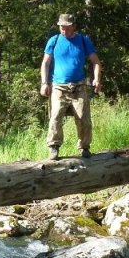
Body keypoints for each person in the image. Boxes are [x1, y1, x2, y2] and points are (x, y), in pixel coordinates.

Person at [40, 13, 102, 160]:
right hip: (58, 87)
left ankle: (84, 147)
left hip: (79, 86)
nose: (64, 30)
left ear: (74, 26)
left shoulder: (83, 40)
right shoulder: (53, 41)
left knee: (83, 118)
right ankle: (53, 147)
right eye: (61, 27)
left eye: (67, 28)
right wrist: (44, 83)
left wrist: (97, 80)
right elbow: (45, 63)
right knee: (55, 116)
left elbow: (96, 62)